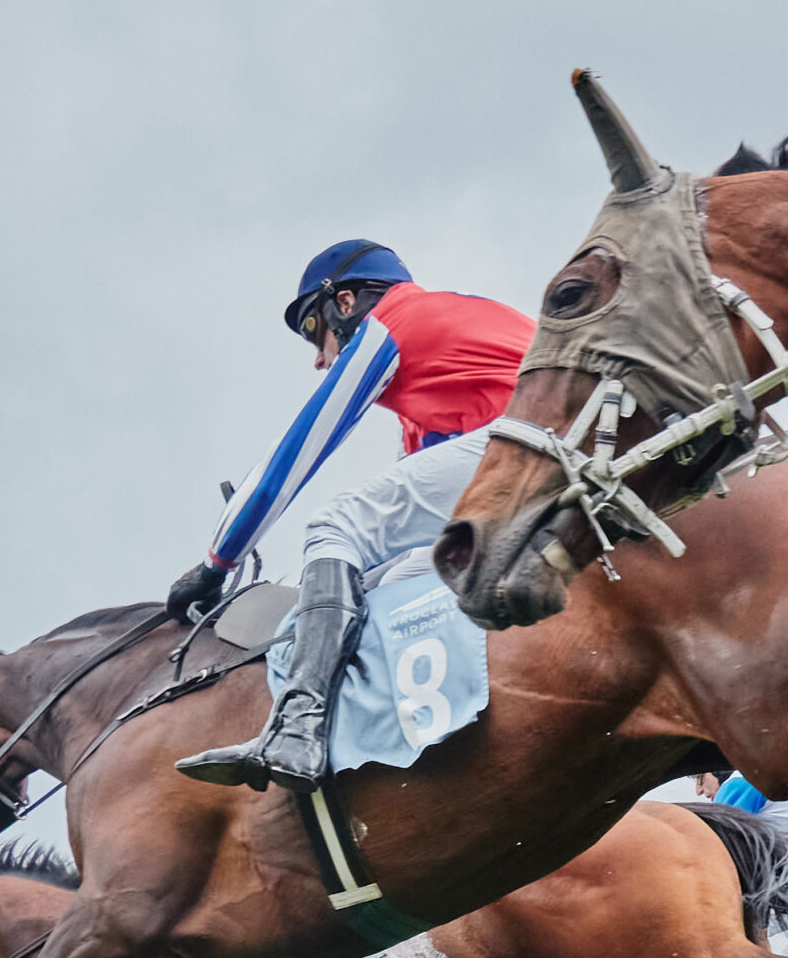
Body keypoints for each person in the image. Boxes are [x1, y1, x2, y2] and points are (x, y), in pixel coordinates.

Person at [168, 240, 535, 793]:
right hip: (548, 446)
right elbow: (406, 529)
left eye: (316, 332)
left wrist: (216, 563)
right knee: (381, 581)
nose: (320, 358)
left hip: (533, 443)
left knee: (334, 525)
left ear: (345, 303)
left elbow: (292, 456)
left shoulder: (393, 321)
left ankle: (299, 725)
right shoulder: (445, 355)